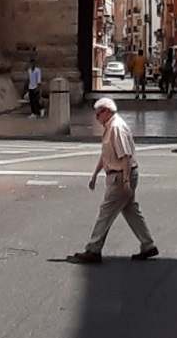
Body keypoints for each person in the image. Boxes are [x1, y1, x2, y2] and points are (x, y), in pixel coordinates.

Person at [68, 97, 157, 263]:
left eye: (98, 114)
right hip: (119, 174)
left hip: (121, 175)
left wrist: (125, 182)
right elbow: (106, 155)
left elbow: (126, 158)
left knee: (106, 211)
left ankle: (93, 249)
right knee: (131, 210)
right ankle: (148, 245)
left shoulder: (117, 128)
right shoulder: (110, 127)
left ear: (107, 112)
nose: (97, 118)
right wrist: (95, 175)